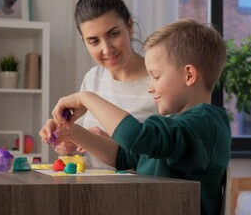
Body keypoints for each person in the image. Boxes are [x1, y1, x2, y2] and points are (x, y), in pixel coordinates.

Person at [40, 18, 231, 215]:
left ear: (189, 75)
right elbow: (124, 156)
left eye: (155, 77)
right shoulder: (179, 125)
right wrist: (72, 132)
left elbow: (137, 137)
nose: (150, 87)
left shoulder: (205, 124)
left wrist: (86, 99)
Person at [54, 0, 158, 168]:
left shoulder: (160, 81)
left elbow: (168, 153)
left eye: (114, 34)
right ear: (84, 41)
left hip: (142, 193)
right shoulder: (93, 78)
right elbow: (77, 140)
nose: (107, 49)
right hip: (95, 191)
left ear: (130, 27)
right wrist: (66, 141)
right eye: (94, 41)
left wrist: (109, 140)